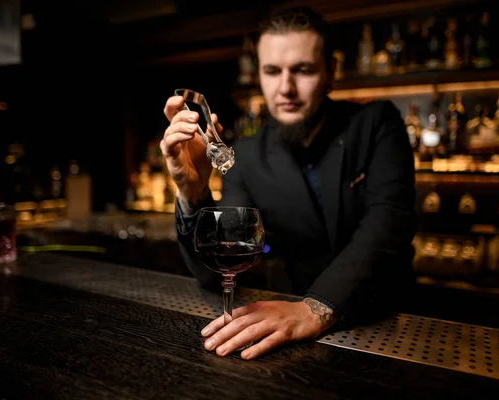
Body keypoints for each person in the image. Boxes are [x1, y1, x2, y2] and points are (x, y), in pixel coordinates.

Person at [160, 6, 416, 360]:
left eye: (303, 70)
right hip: (297, 340)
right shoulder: (246, 155)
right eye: (272, 71)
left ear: (331, 72)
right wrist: (193, 191)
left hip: (388, 325)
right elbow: (217, 271)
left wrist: (316, 308)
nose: (286, 88)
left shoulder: (376, 124)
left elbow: (388, 225)